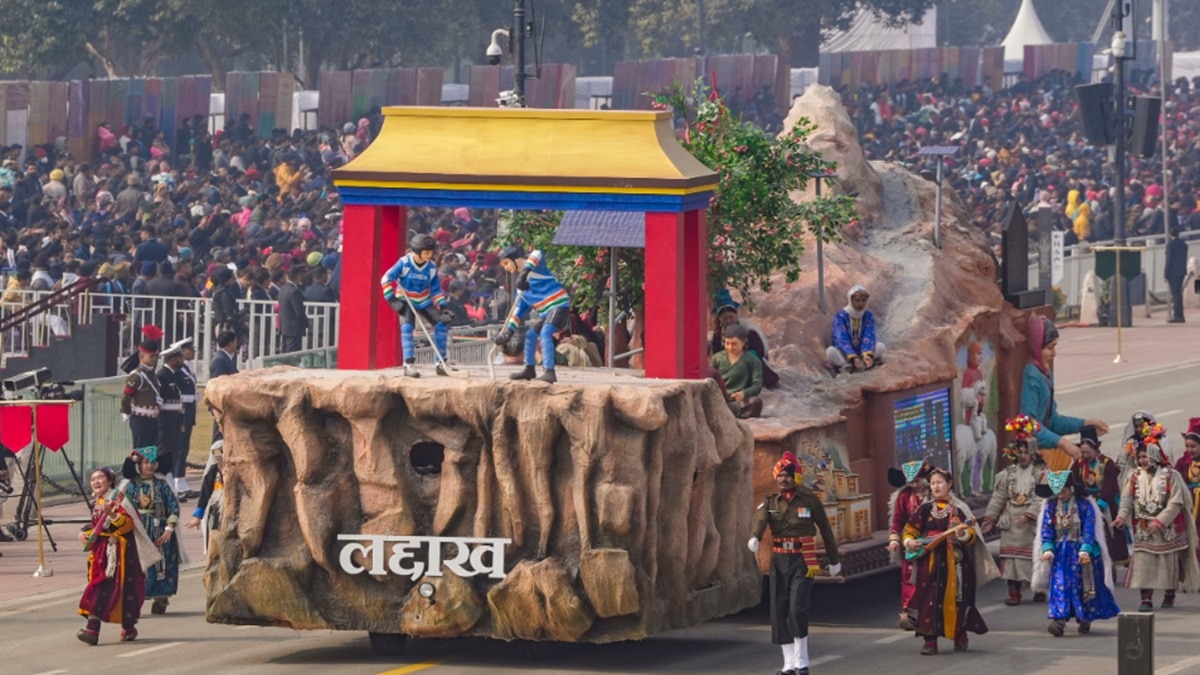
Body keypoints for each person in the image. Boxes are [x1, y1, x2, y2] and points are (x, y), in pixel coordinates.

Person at [749, 451, 841, 675]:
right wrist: (755, 537)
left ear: (796, 477)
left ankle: (803, 662)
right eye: (779, 475)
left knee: (796, 609)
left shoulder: (809, 499)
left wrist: (834, 559)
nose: (783, 479)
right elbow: (760, 520)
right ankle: (789, 664)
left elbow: (826, 530)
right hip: (779, 560)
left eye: (787, 475)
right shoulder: (771, 502)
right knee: (779, 610)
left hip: (803, 559)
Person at [902, 467, 995, 655]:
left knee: (958, 599)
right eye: (933, 483)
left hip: (956, 564)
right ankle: (930, 642)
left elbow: (971, 536)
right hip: (930, 564)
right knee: (927, 599)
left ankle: (960, 635)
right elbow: (910, 529)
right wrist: (909, 541)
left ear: (949, 484)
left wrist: (963, 534)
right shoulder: (925, 509)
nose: (936, 486)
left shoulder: (959, 509)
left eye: (940, 482)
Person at [1114, 425, 1200, 610]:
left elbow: (1176, 502)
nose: (1143, 461)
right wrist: (1121, 518)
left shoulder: (1171, 475)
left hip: (1166, 529)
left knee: (1167, 563)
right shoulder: (1134, 477)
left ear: (1154, 455)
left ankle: (1169, 592)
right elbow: (1126, 501)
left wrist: (1161, 521)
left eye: (1145, 456)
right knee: (1143, 564)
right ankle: (1146, 599)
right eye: (1140, 457)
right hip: (1143, 529)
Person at [1030, 470, 1121, 636]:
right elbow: (1046, 529)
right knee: (1060, 585)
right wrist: (1048, 549)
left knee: (1084, 587)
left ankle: (1085, 618)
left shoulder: (1084, 505)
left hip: (1081, 553)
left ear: (1071, 488)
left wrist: (1085, 549)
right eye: (1057, 492)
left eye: (1063, 491)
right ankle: (1059, 621)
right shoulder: (1050, 506)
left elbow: (1089, 528)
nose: (1060, 495)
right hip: (1060, 554)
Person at [76, 467, 153, 645]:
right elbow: (97, 527)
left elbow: (127, 525)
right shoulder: (98, 501)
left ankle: (100, 629)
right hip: (101, 553)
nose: (96, 482)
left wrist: (112, 514)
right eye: (93, 479)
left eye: (100, 478)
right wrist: (85, 534)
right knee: (100, 587)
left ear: (110, 481)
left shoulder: (119, 500)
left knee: (113, 589)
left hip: (120, 555)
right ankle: (104, 629)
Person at [1019, 315, 1109, 461]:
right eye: (1050, 348)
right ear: (1037, 346)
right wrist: (1061, 442)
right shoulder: (1032, 375)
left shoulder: (1046, 374)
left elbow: (1052, 421)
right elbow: (1028, 424)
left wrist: (1084, 424)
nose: (1054, 353)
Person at [982, 415, 1046, 606]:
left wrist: (1029, 514)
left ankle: (1039, 589)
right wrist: (989, 520)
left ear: (1033, 453)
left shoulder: (1042, 474)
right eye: (1020, 452)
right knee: (1011, 560)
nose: (1023, 455)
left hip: (1031, 525)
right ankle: (1014, 593)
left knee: (1034, 558)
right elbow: (998, 499)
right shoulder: (1006, 475)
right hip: (1010, 523)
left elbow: (1043, 497)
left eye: (1026, 452)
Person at [492, 246, 570, 384]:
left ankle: (549, 371)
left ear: (515, 259)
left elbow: (537, 252)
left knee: (545, 333)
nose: (506, 268)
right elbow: (517, 312)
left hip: (558, 304)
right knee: (530, 335)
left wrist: (524, 273)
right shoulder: (521, 291)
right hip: (546, 312)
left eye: (506, 263)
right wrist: (508, 333)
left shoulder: (536, 267)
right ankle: (529, 368)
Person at [381, 234, 453, 378]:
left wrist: (443, 307)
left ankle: (441, 364)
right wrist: (391, 299)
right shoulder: (404, 263)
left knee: (441, 326)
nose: (429, 255)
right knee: (407, 327)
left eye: (431, 252)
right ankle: (408, 364)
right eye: (426, 253)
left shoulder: (431, 267)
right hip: (406, 300)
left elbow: (436, 290)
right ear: (415, 251)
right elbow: (386, 279)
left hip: (424, 300)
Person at [123, 445, 182, 616]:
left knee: (162, 564)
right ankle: (137, 598)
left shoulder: (162, 486)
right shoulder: (131, 487)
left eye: (153, 462)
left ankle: (161, 597)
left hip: (160, 529)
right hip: (139, 529)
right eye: (146, 462)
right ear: (139, 464)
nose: (149, 466)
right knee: (139, 565)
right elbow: (125, 508)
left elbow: (173, 507)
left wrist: (170, 528)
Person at [1071, 425, 1129, 566]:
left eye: (1088, 452)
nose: (1085, 456)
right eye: (1083, 452)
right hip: (1086, 502)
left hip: (1105, 502)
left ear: (1096, 449)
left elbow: (1111, 485)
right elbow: (1073, 481)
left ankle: (1110, 563)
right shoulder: (1078, 465)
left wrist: (1101, 503)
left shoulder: (1107, 463)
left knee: (1107, 533)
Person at [886, 460, 931, 630]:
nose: (915, 485)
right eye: (911, 482)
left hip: (932, 542)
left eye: (918, 481)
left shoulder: (935, 493)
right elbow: (897, 520)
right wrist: (895, 540)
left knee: (930, 577)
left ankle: (930, 612)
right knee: (909, 578)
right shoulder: (904, 496)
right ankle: (909, 613)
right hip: (910, 543)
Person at [120, 326, 162, 460]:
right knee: (141, 452)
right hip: (141, 418)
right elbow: (126, 397)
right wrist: (126, 412)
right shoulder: (137, 376)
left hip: (153, 419)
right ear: (142, 356)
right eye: (151, 356)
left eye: (155, 356)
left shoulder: (151, 374)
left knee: (151, 452)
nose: (154, 359)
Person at [825, 285, 886, 375]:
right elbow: (841, 338)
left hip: (862, 352)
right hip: (845, 353)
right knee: (830, 352)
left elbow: (869, 335)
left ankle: (864, 361)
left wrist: (866, 355)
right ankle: (848, 364)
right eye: (857, 300)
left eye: (863, 301)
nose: (861, 304)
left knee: (881, 347)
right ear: (850, 300)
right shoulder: (841, 316)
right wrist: (852, 357)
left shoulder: (868, 316)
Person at [710, 323, 764, 419]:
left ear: (743, 343)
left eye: (734, 344)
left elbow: (757, 385)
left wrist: (744, 393)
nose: (730, 347)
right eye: (727, 343)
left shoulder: (753, 360)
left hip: (740, 401)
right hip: (721, 399)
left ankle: (737, 415)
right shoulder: (717, 358)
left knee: (756, 401)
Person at [155, 344, 186, 501]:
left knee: (173, 453)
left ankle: (170, 486)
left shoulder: (174, 374)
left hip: (174, 420)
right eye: (179, 357)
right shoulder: (162, 375)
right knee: (164, 454)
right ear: (172, 359)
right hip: (165, 422)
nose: (182, 360)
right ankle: (164, 487)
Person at [185, 440, 225, 553]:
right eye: (217, 455)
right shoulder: (213, 471)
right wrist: (198, 516)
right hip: (216, 509)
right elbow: (205, 494)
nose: (220, 458)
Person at [174, 338, 199, 500]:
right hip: (180, 412)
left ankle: (182, 480)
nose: (194, 351)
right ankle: (176, 481)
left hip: (189, 412)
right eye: (191, 348)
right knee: (178, 448)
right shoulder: (176, 371)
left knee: (185, 447)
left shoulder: (186, 369)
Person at [208, 331, 239, 443]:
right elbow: (219, 384)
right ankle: (215, 460)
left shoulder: (228, 358)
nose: (236, 345)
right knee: (219, 436)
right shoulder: (219, 360)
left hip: (227, 404)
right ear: (230, 344)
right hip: (220, 405)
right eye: (235, 342)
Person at [277, 265, 309, 354]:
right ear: (298, 275)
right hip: (294, 329)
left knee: (285, 353)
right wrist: (307, 323)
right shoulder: (294, 291)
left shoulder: (282, 289)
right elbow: (299, 311)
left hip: (284, 327)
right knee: (293, 355)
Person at [1164, 227, 1187, 323]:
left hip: (1173, 272)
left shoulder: (1170, 245)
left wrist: (1165, 273)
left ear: (1170, 234)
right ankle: (1180, 314)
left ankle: (1177, 315)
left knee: (1175, 294)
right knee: (1179, 294)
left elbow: (1168, 260)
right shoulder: (1183, 244)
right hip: (1181, 271)